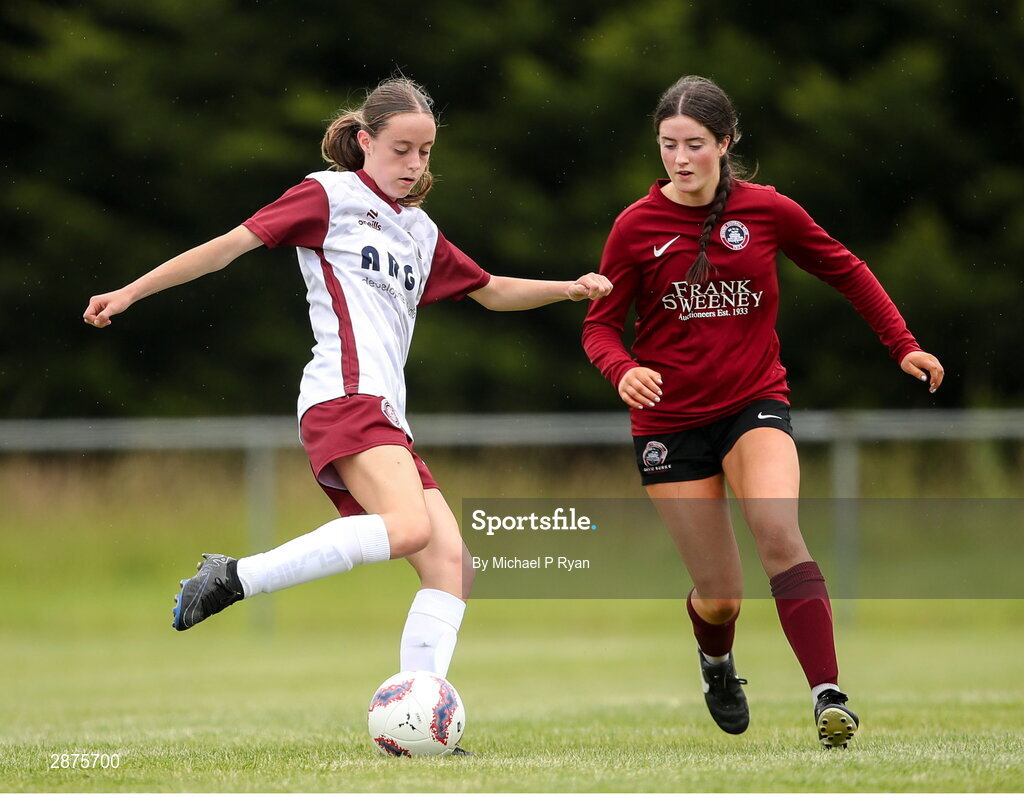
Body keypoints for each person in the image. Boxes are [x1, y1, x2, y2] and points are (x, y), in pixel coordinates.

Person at [84, 78, 612, 743]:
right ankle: (236, 577)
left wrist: (568, 288)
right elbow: (226, 247)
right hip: (342, 395)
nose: (415, 165)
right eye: (401, 150)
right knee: (410, 528)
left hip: (385, 413)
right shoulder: (327, 197)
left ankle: (417, 721)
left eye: (424, 152)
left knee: (453, 567)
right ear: (364, 141)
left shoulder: (420, 231)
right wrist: (132, 291)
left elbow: (492, 290)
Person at [581, 75, 943, 749]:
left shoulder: (768, 210)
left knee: (779, 533)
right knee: (720, 595)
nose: (680, 158)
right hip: (669, 424)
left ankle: (827, 695)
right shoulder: (636, 225)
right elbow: (600, 326)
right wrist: (623, 368)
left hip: (754, 403)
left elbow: (846, 268)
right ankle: (716, 662)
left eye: (694, 144)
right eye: (668, 145)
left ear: (725, 143)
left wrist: (904, 345)